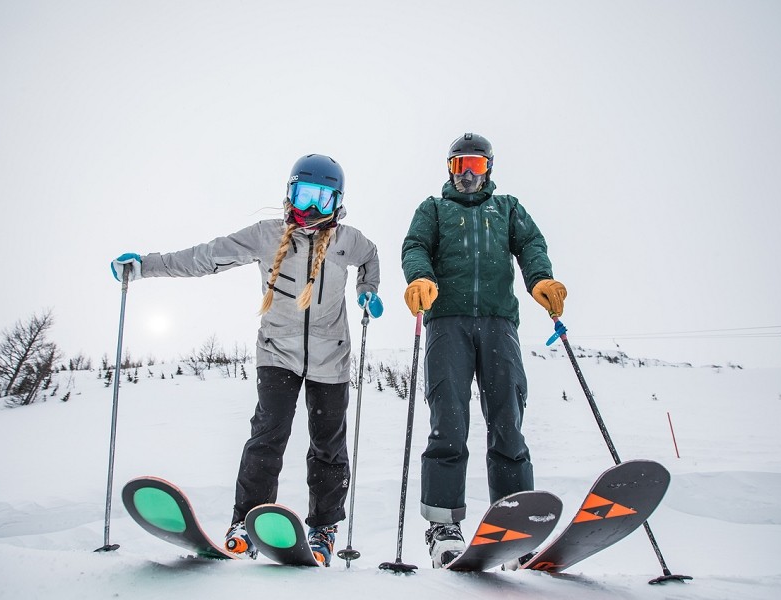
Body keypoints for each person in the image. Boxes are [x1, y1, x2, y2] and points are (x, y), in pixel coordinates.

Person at [110, 154, 383, 566]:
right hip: (276, 351)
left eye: (322, 199)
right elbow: (205, 256)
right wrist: (145, 266)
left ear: (337, 203)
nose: (311, 208)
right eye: (303, 195)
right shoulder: (266, 235)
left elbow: (370, 257)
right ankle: (245, 524)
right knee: (267, 435)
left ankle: (323, 529)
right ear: (289, 193)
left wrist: (368, 288)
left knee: (328, 446)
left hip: (332, 356)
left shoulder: (349, 241)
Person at [400, 133, 567, 568]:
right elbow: (415, 246)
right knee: (448, 422)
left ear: (489, 167)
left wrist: (540, 279)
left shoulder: (507, 208)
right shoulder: (433, 209)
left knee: (508, 419)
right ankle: (443, 526)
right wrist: (419, 277)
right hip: (446, 321)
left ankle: (514, 524)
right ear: (449, 170)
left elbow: (531, 244)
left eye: (475, 164)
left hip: (498, 322)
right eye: (459, 166)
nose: (468, 173)